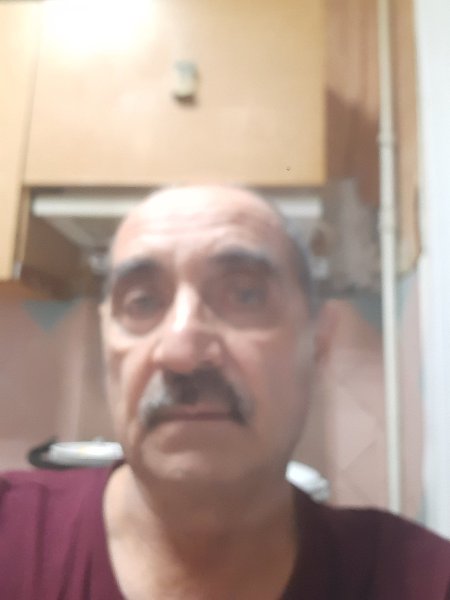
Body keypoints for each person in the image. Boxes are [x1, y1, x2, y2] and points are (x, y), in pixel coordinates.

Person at [0, 185, 449, 599]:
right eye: (142, 302)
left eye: (246, 295)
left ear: (318, 342)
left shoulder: (422, 579)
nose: (182, 352)